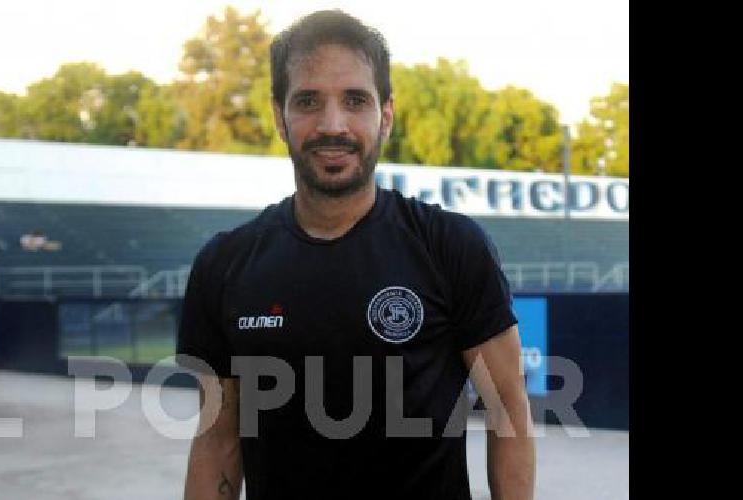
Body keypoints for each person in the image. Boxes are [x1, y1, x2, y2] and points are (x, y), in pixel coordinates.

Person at [177, 10, 535, 500]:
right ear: (279, 115)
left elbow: (509, 413)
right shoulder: (225, 264)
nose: (332, 124)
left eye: (355, 100)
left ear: (385, 114)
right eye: (307, 101)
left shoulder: (450, 246)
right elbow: (217, 442)